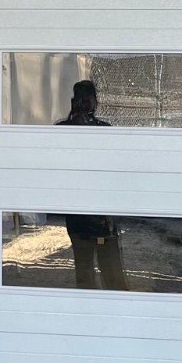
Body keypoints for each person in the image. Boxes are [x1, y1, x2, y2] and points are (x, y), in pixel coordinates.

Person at [55, 81, 128, 290]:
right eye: (82, 99)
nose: (87, 104)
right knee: (87, 268)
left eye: (88, 99)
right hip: (83, 216)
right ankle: (92, 309)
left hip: (101, 216)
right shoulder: (63, 131)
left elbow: (115, 170)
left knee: (107, 268)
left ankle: (116, 307)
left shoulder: (103, 131)